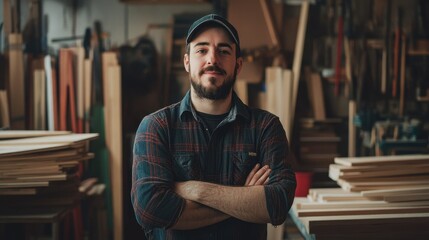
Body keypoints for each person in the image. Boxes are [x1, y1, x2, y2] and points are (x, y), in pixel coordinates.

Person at [131, 13, 296, 240]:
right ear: (187, 62)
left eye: (224, 51)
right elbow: (150, 208)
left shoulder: (265, 127)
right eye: (202, 50)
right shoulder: (156, 127)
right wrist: (245, 199)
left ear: (238, 65)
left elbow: (279, 203)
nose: (213, 59)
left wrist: (192, 190)